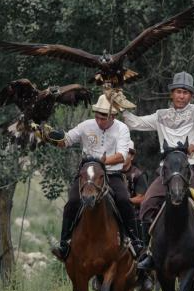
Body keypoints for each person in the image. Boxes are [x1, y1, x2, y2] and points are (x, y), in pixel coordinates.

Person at [123, 72, 194, 271]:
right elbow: (135, 123)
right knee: (147, 203)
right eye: (178, 92)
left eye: (185, 92)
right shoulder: (161, 115)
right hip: (167, 171)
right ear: (172, 94)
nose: (181, 96)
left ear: (191, 95)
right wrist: (119, 106)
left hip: (193, 167)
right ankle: (147, 252)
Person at [51, 95, 142, 261]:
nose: (100, 121)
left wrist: (100, 161)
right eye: (97, 117)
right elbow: (67, 140)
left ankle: (135, 241)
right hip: (87, 173)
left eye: (104, 118)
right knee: (72, 201)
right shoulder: (86, 125)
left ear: (113, 116)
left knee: (123, 200)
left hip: (111, 174)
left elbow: (122, 156)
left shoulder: (122, 128)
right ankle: (64, 244)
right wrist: (51, 135)